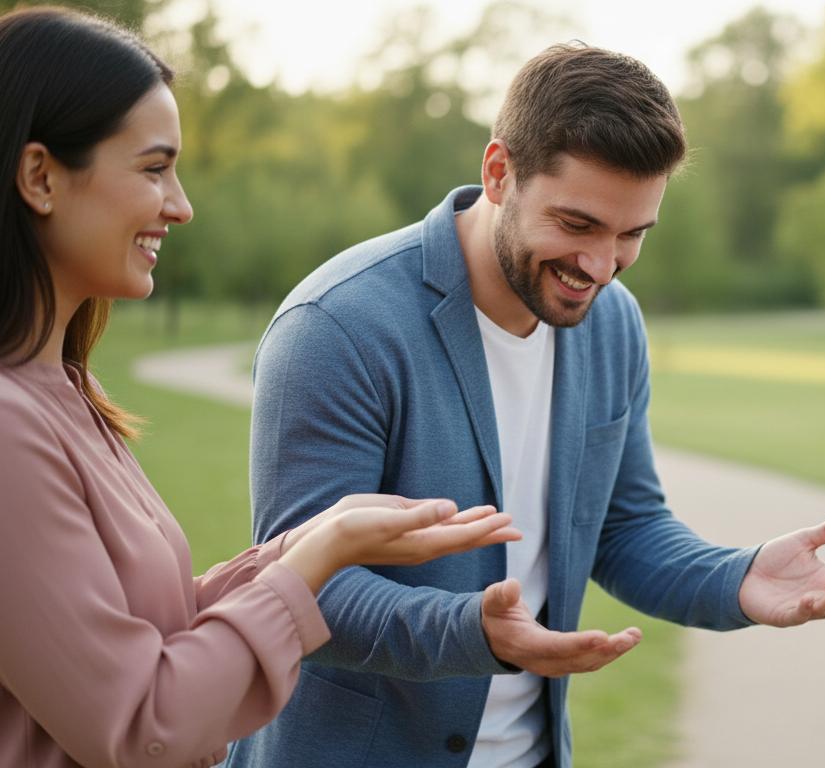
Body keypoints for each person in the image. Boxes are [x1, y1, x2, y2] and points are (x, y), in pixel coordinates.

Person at [224, 42, 825, 768]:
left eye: (631, 235)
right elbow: (300, 587)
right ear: (499, 172)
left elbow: (623, 527)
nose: (600, 268)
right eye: (578, 225)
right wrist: (475, 630)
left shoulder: (613, 320)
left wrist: (736, 577)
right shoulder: (338, 326)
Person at [0, 8, 523, 767]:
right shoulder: (12, 431)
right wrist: (317, 561)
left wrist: (309, 542)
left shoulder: (66, 393)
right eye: (153, 168)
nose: (180, 205)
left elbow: (158, 632)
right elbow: (145, 724)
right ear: (40, 176)